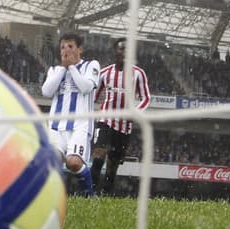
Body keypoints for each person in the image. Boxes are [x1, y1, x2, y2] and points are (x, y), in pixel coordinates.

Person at [41, 33, 100, 196]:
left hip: (80, 126)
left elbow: (86, 87)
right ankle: (54, 197)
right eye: (62, 47)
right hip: (56, 127)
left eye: (70, 47)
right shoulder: (54, 70)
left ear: (80, 49)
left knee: (73, 163)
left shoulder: (91, 66)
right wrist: (63, 69)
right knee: (52, 161)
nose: (65, 50)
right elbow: (46, 91)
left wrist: (72, 67)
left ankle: (89, 196)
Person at [91, 38, 150, 195]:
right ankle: (88, 192)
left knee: (113, 164)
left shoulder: (138, 74)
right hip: (106, 119)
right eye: (121, 49)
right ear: (115, 51)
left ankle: (105, 194)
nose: (124, 52)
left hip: (124, 125)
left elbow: (146, 98)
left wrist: (136, 112)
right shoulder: (105, 73)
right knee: (99, 154)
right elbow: (93, 97)